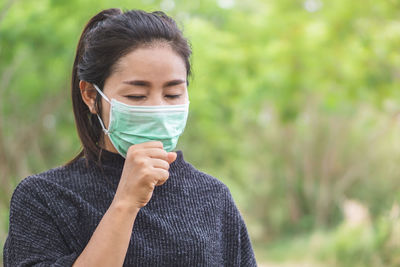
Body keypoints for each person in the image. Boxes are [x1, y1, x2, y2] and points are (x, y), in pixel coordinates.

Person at [3, 8, 257, 266]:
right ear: (91, 96)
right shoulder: (44, 198)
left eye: (172, 95)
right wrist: (125, 203)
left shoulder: (212, 197)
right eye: (136, 96)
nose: (157, 109)